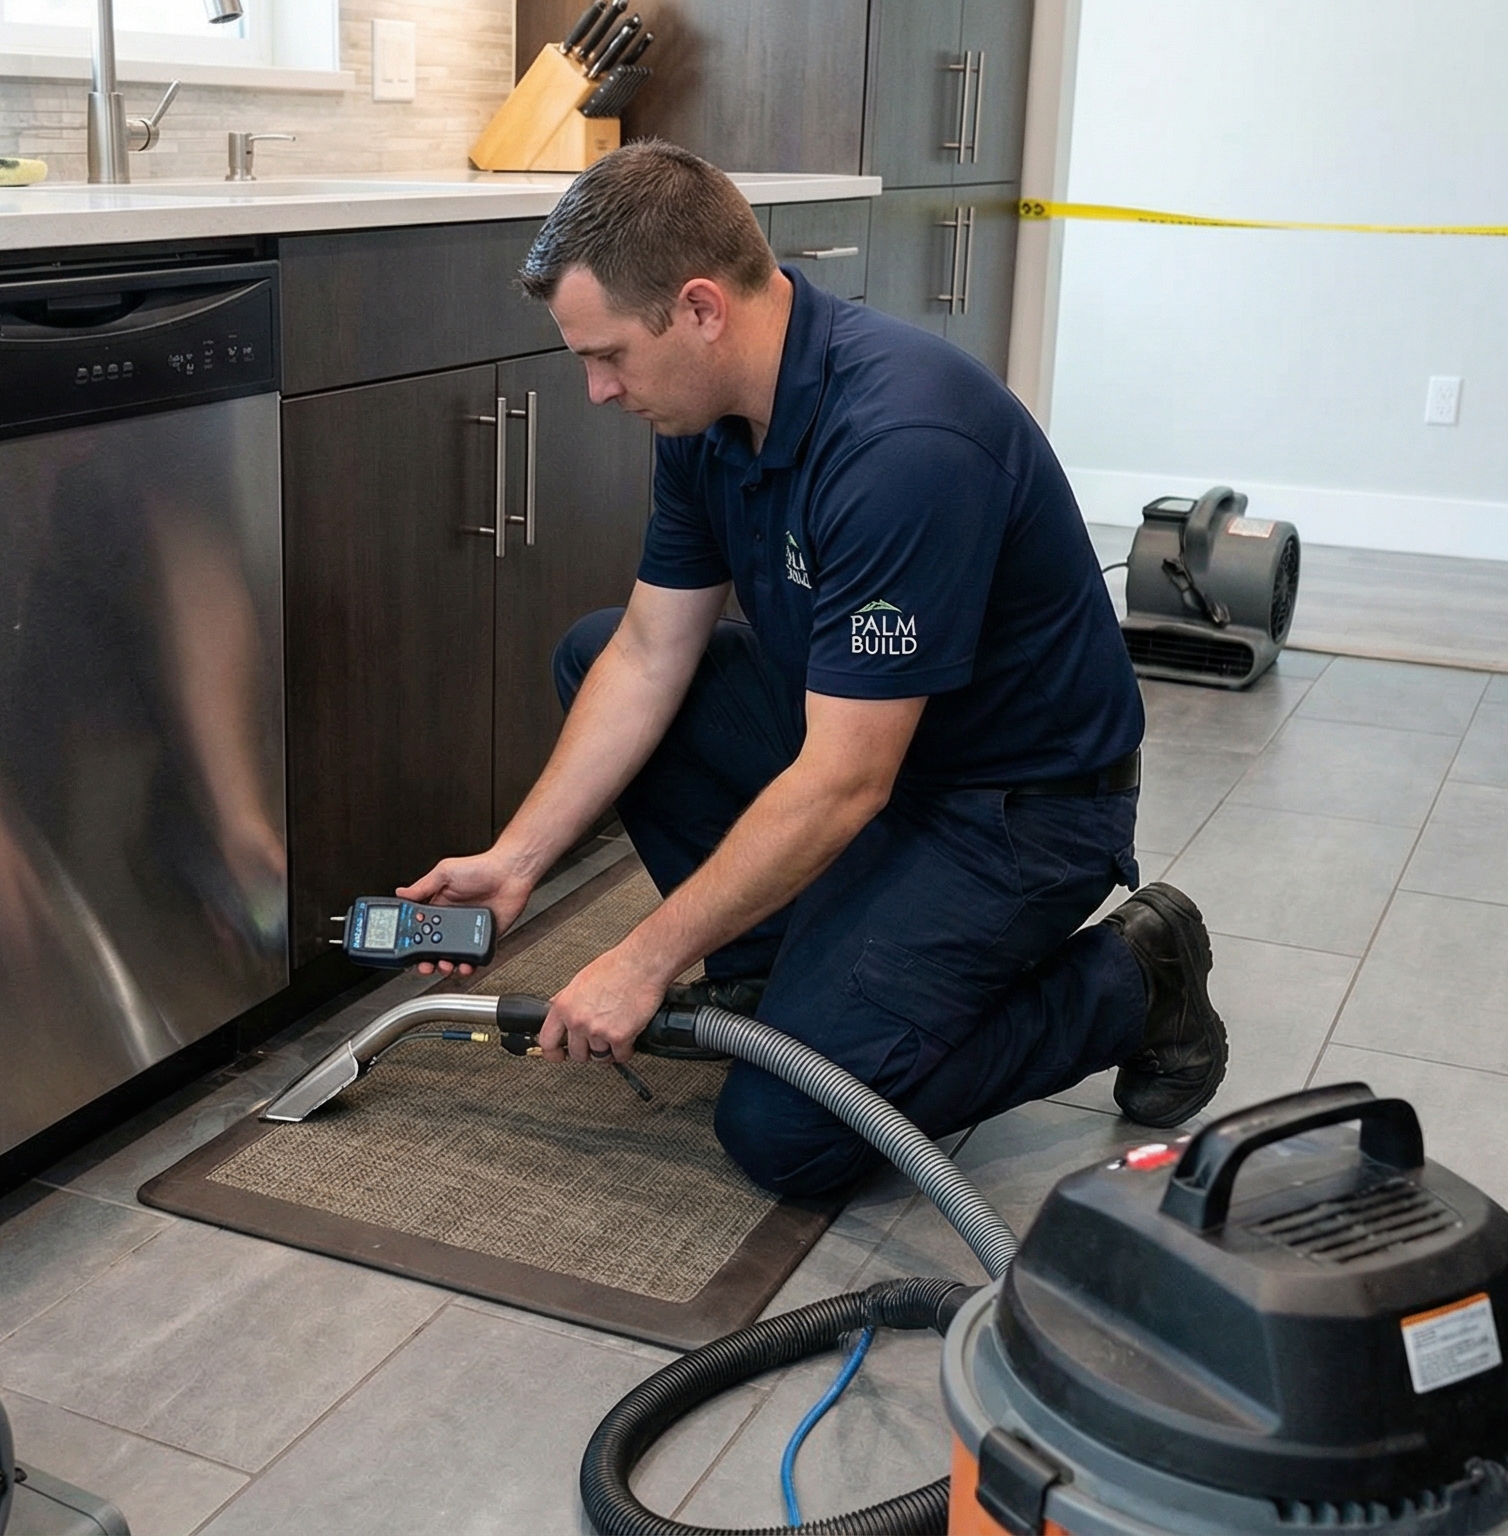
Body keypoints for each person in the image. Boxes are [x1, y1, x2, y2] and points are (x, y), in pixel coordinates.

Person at [398, 142, 1228, 1197]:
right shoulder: (702, 417)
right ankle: (776, 969)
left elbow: (844, 783)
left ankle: (1132, 982)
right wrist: (517, 859)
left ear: (701, 309)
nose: (599, 391)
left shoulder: (900, 442)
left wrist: (643, 958)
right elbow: (653, 650)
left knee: (787, 1131)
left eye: (606, 356)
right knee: (595, 650)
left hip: (1016, 807)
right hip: (870, 747)